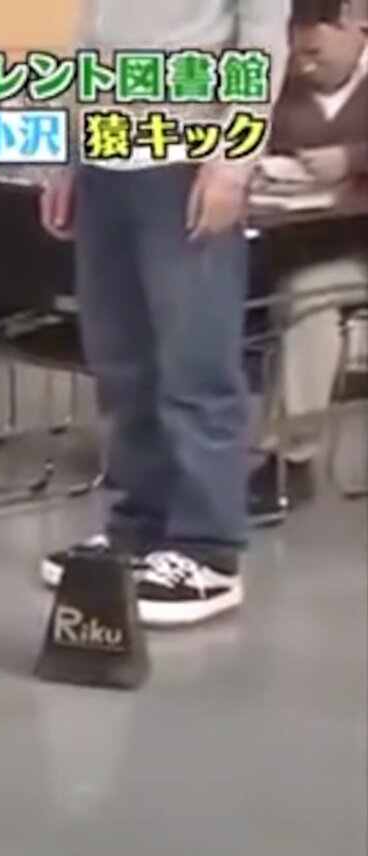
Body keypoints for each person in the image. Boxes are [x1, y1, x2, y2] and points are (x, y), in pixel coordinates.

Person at [39, 0, 289, 627]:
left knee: (193, 362)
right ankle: (137, 526)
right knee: (122, 362)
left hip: (185, 157)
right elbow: (91, 37)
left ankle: (208, 549)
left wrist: (232, 164)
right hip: (105, 156)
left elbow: (261, 45)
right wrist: (64, 156)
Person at [252, 0, 368, 519]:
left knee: (310, 298)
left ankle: (288, 459)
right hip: (301, 240)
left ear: (352, 28)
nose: (304, 65)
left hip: (355, 252)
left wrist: (351, 159)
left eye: (315, 52)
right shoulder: (284, 86)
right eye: (296, 53)